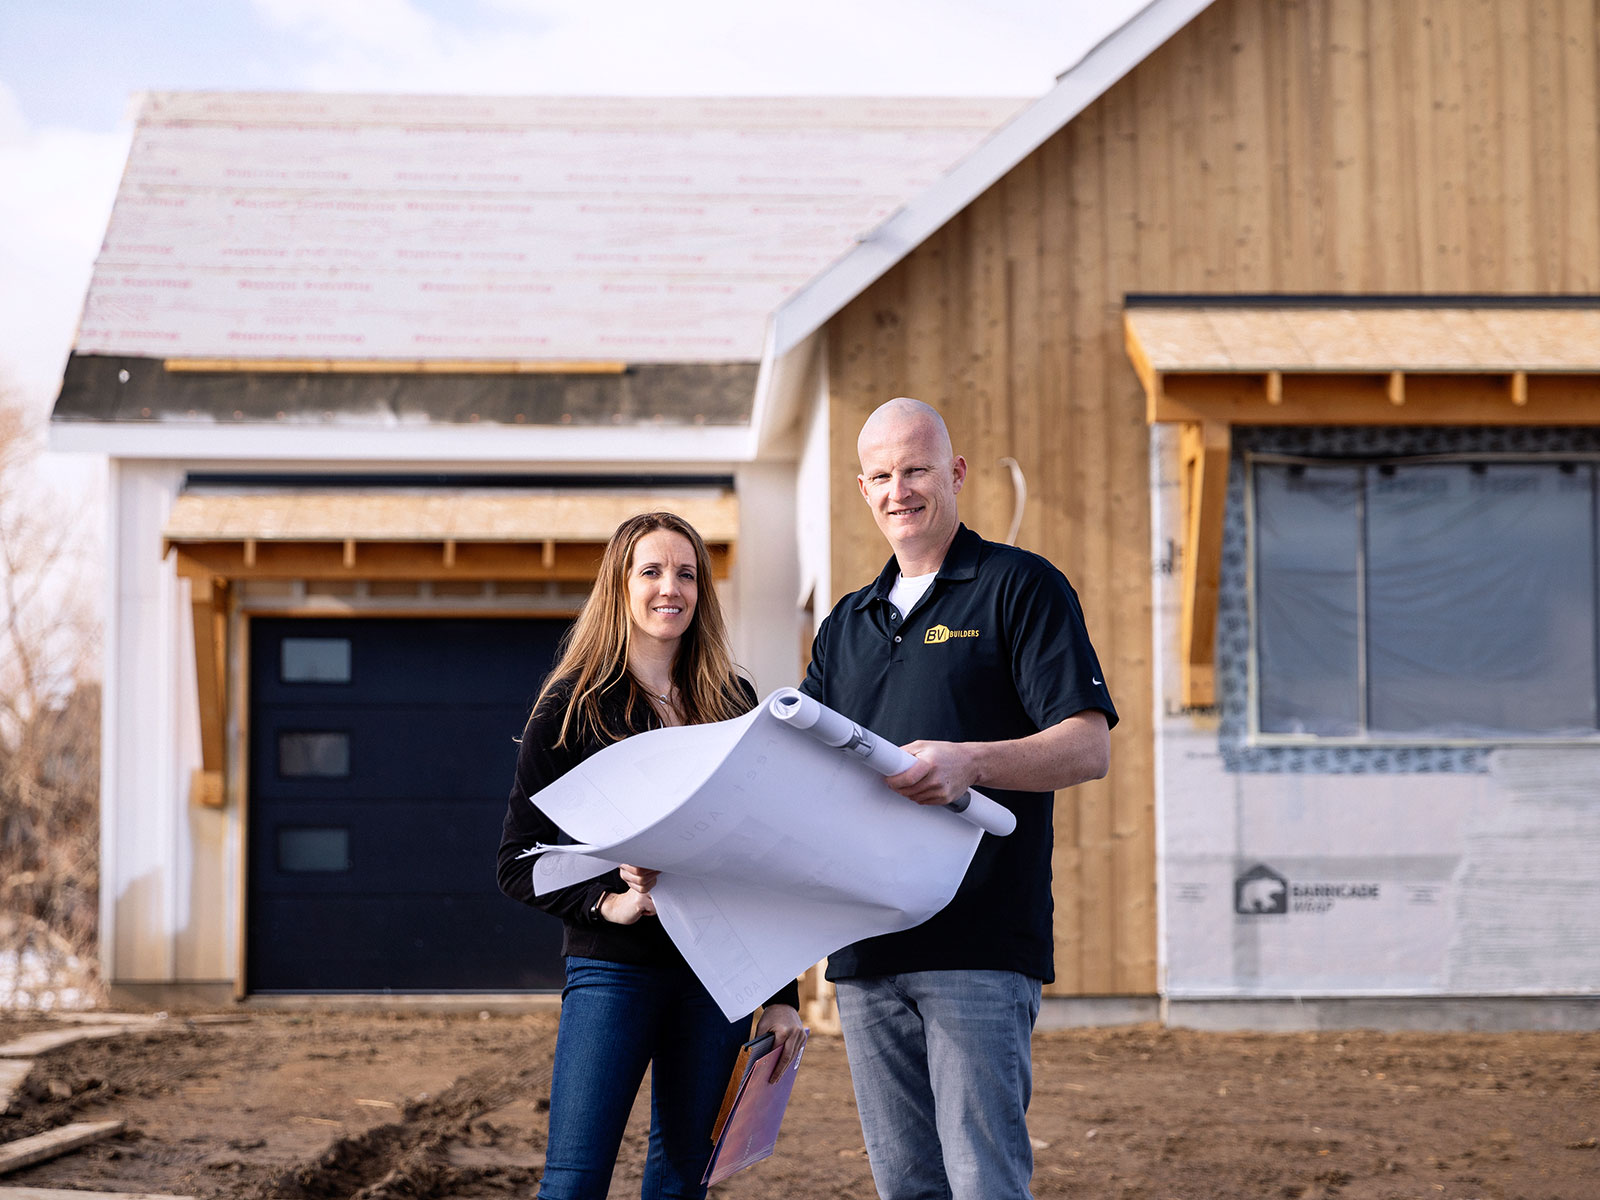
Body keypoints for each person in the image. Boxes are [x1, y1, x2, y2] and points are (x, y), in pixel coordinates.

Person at [799, 397, 1117, 1200]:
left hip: (978, 947)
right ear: (862, 490)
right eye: (880, 476)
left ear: (956, 473)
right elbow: (806, 777)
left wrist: (969, 762)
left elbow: (1087, 746)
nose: (898, 489)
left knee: (983, 1182)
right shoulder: (845, 624)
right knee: (906, 1187)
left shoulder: (1020, 587)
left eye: (915, 469)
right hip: (868, 951)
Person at [497, 511, 803, 1200]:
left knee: (679, 1184)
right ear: (621, 586)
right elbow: (518, 860)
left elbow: (763, 862)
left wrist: (779, 998)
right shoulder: (571, 711)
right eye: (653, 571)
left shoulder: (732, 704)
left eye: (687, 573)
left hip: (716, 975)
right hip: (615, 972)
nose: (673, 587)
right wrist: (611, 901)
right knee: (574, 1183)